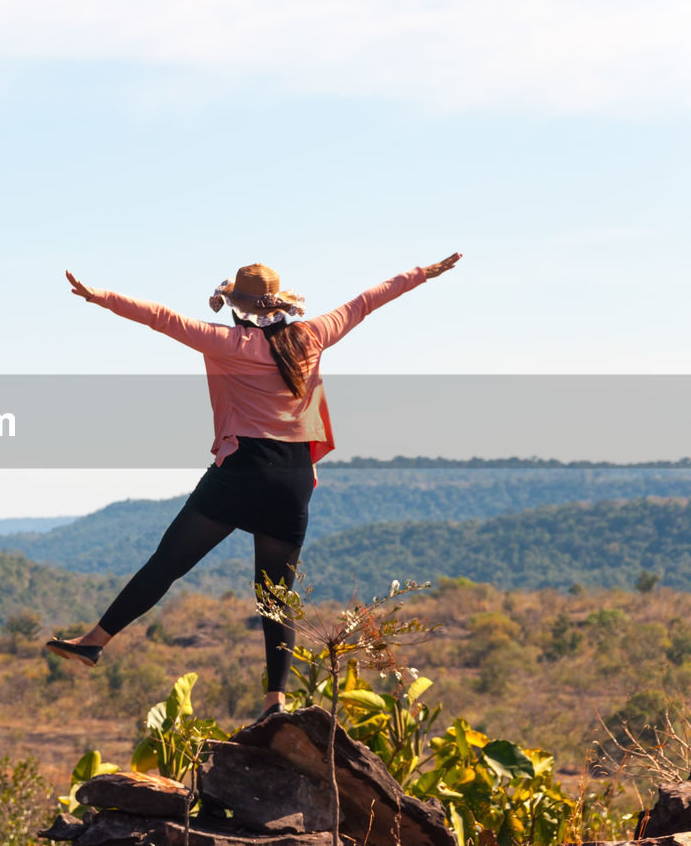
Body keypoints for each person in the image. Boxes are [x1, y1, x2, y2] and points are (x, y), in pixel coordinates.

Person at [46, 253, 463, 720]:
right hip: (293, 478)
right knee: (275, 597)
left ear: (239, 305)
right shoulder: (312, 335)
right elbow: (367, 301)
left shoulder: (226, 341)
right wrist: (422, 274)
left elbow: (159, 318)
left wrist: (98, 296)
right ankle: (276, 702)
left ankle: (94, 643)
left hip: (243, 472)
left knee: (166, 564)